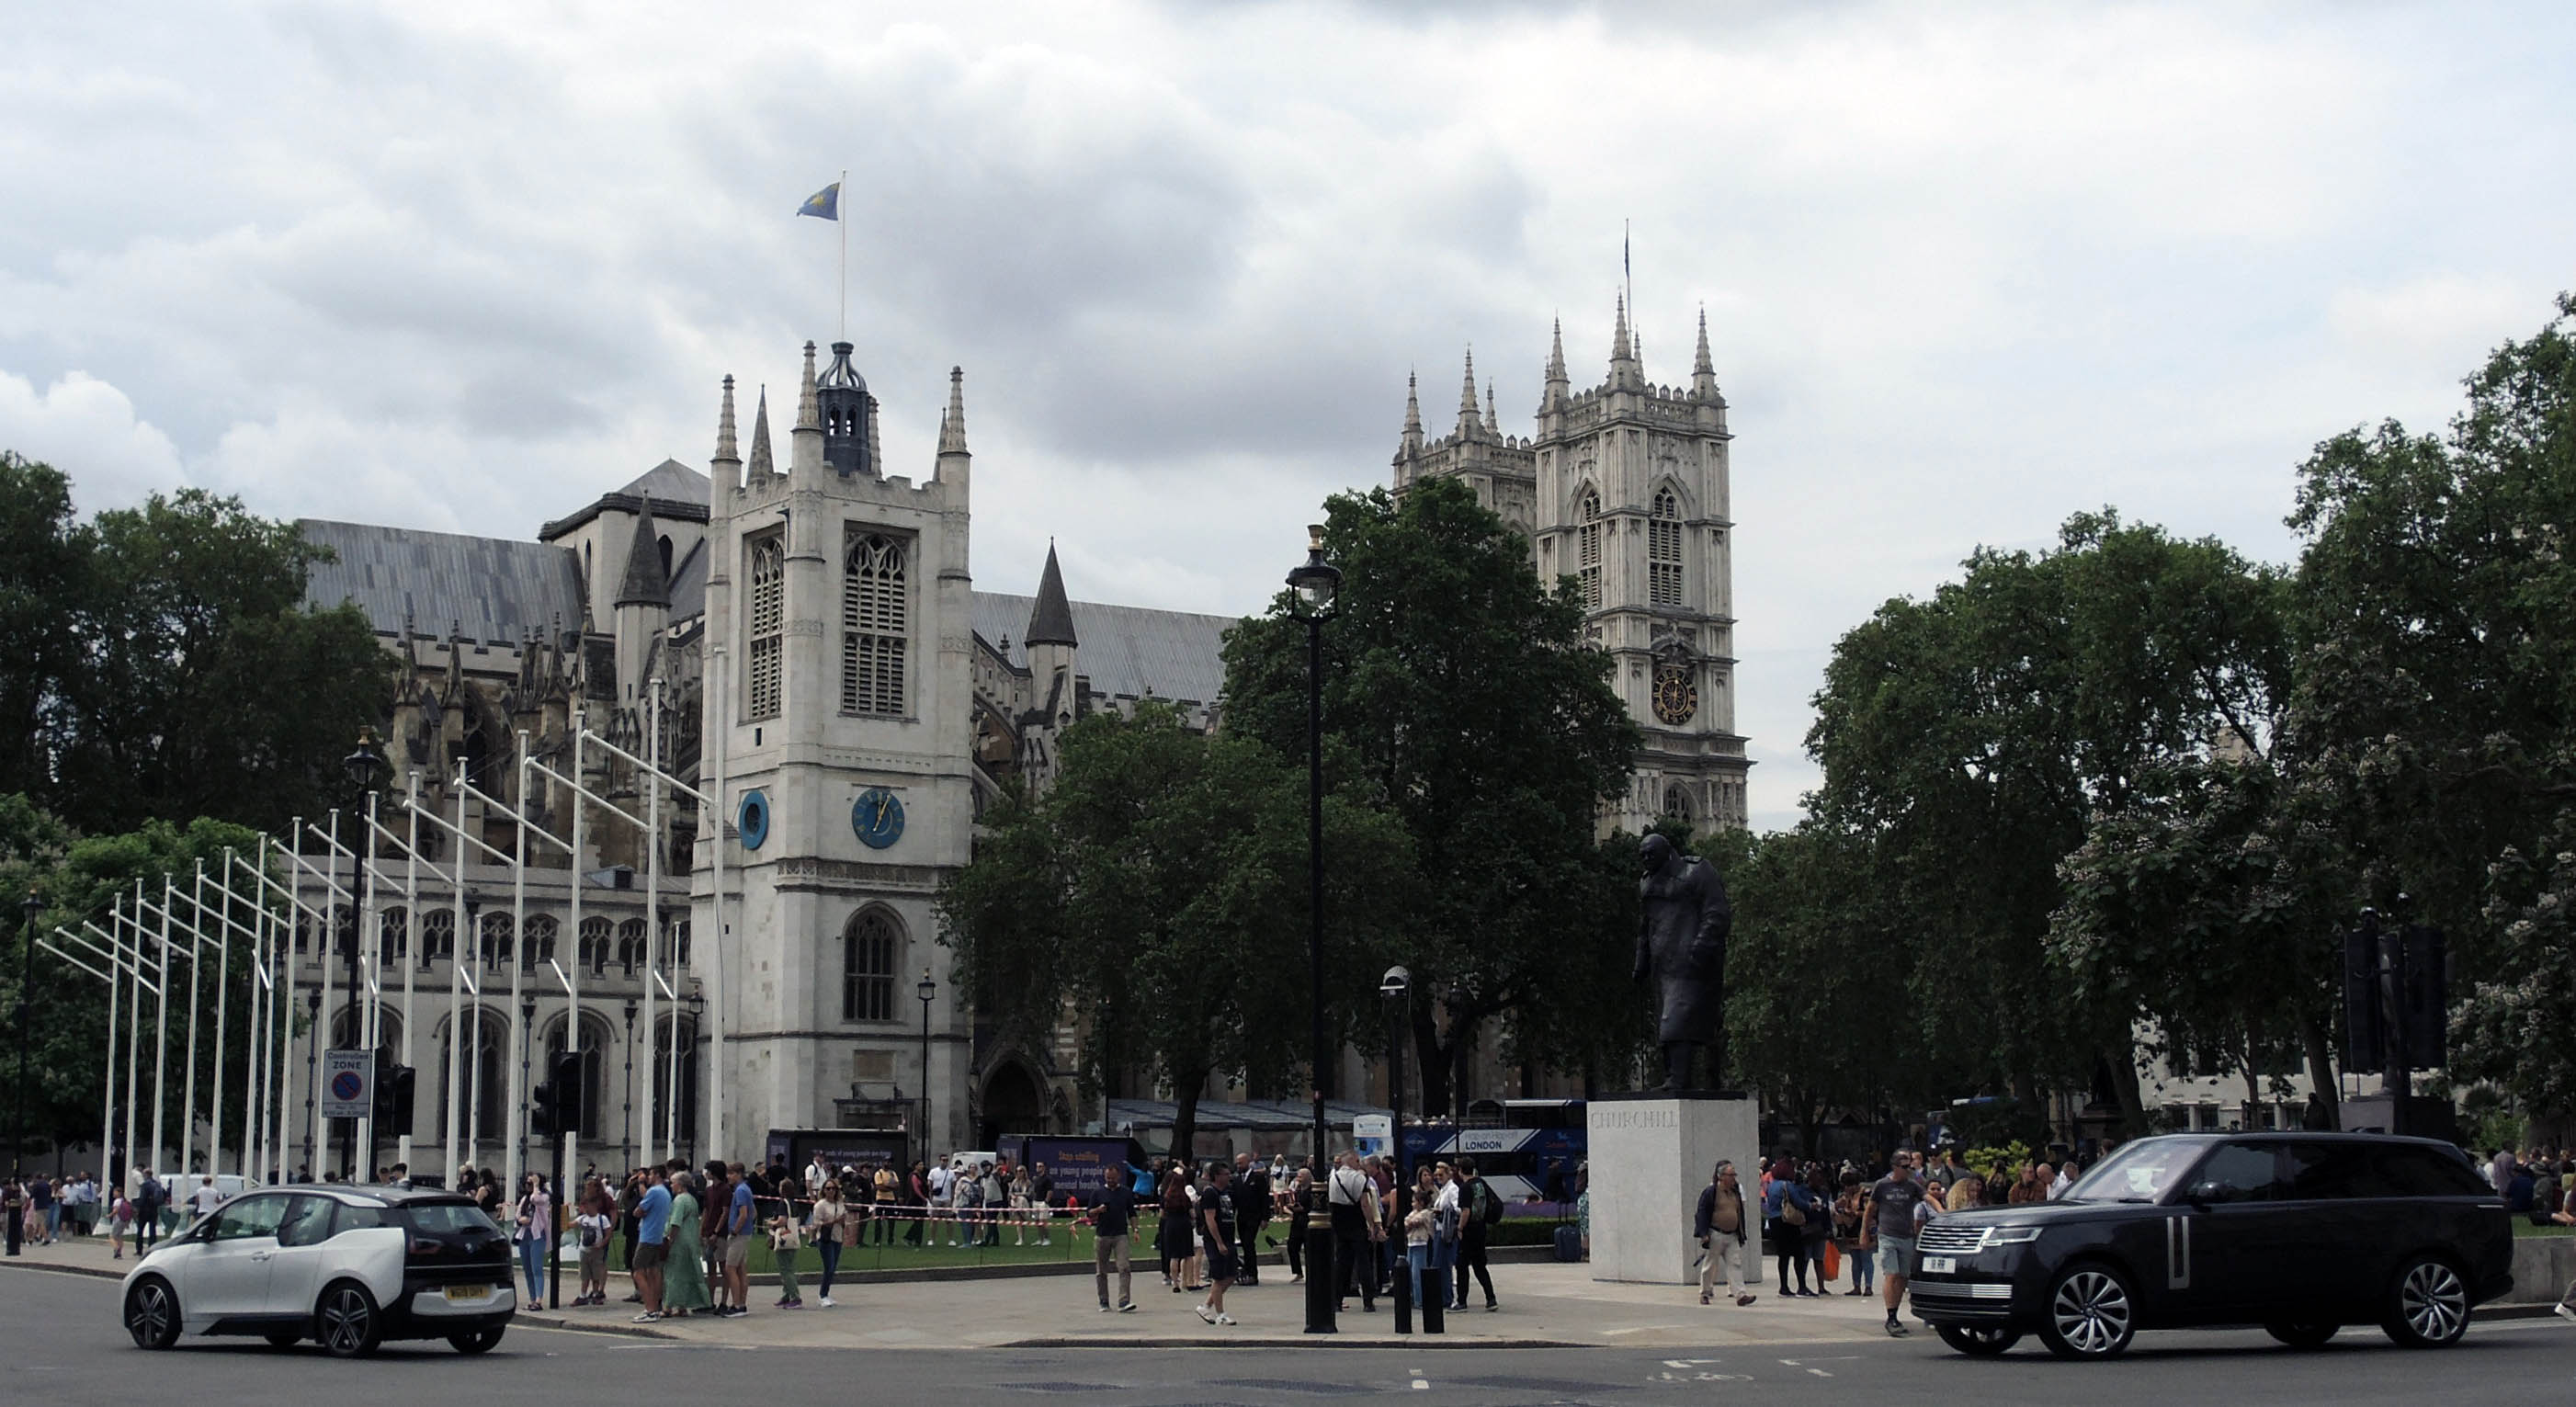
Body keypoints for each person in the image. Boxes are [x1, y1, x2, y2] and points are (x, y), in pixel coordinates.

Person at [1862, 1150, 1929, 1337]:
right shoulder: (1882, 1185)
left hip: (1906, 1236)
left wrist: (1942, 1211)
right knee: (1891, 1274)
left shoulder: (1912, 1185)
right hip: (1887, 1235)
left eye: (1910, 1167)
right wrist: (1864, 1233)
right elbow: (1870, 1209)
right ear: (1895, 1167)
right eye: (1905, 1167)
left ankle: (1895, 1313)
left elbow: (1927, 1197)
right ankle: (1890, 1316)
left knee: (1903, 1277)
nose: (1908, 1170)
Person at [1695, 1160, 1756, 1306]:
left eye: (1734, 1175)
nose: (1734, 1178)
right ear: (1721, 1176)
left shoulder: (1735, 1192)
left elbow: (1739, 1213)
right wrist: (1704, 1234)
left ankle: (1740, 1295)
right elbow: (1701, 1213)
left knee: (1735, 1264)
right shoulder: (1711, 1192)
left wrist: (1741, 1233)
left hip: (1732, 1235)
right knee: (1710, 1265)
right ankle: (1705, 1293)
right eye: (1730, 1175)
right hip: (1716, 1234)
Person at [1328, 1150, 1381, 1312]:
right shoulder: (1359, 1178)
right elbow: (1365, 1204)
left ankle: (1336, 1300)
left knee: (1341, 1262)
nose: (1359, 1164)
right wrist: (1372, 1225)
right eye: (1357, 1161)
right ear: (1350, 1161)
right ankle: (1368, 1301)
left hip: (1339, 1221)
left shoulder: (1333, 1177)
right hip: (1356, 1221)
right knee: (1363, 1262)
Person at [1195, 1160, 1239, 1325]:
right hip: (1215, 1240)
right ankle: (1221, 1314)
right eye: (1225, 1174)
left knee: (1231, 1275)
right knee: (1219, 1278)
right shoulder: (1210, 1193)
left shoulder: (1226, 1192)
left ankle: (1205, 1306)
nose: (1229, 1177)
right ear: (1216, 1176)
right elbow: (1210, 1219)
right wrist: (1219, 1242)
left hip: (1229, 1238)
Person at [1764, 1158, 1816, 1295]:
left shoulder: (1772, 1186)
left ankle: (1784, 1287)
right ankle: (1802, 1286)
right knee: (1799, 1254)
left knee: (1783, 1255)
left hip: (1774, 1220)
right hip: (1787, 1221)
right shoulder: (1787, 1185)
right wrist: (1811, 1206)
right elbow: (1798, 1202)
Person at [663, 1171, 712, 1315]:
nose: (671, 1186)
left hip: (679, 1242)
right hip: (691, 1240)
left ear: (680, 1184)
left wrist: (670, 1240)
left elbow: (675, 1223)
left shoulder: (679, 1201)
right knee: (687, 1273)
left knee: (673, 1274)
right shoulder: (691, 1200)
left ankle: (668, 1306)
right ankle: (682, 1306)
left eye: (673, 1183)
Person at [1453, 1157, 1499, 1311]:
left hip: (1469, 1231)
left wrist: (1460, 1228)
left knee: (1461, 1266)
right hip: (1481, 1228)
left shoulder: (1465, 1187)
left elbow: (1466, 1211)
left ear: (1460, 1171)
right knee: (1479, 1266)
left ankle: (1461, 1301)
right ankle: (1491, 1298)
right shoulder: (1480, 1183)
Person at [1092, 1163, 1137, 1312]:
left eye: (1113, 1178)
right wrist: (1098, 1210)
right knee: (1101, 1270)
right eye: (1108, 1178)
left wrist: (1135, 1229)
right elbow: (1089, 1213)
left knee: (1124, 1267)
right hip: (1102, 1235)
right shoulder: (1098, 1192)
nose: (1110, 1180)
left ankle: (1124, 1301)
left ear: (1119, 1177)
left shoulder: (1126, 1192)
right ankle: (1103, 1301)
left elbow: (1132, 1213)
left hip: (1120, 1235)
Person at [631, 1165, 673, 1322]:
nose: (648, 1177)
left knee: (638, 1271)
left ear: (656, 1175)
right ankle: (655, 1306)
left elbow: (638, 1211)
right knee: (654, 1272)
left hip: (648, 1236)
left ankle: (650, 1309)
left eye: (650, 1175)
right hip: (658, 1235)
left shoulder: (654, 1191)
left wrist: (641, 1184)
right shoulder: (665, 1192)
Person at [573, 1180, 614, 1307]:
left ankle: (597, 1293)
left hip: (597, 1249)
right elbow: (571, 1224)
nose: (585, 1208)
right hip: (584, 1249)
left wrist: (602, 1243)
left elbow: (609, 1231)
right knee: (585, 1274)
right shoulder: (583, 1218)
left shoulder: (602, 1217)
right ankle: (583, 1295)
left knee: (597, 1272)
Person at [809, 1178, 848, 1308]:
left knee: (833, 1267)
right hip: (825, 1238)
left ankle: (826, 1293)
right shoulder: (820, 1205)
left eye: (833, 1188)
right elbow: (817, 1223)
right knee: (829, 1266)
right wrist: (834, 1221)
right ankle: (822, 1295)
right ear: (824, 1190)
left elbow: (844, 1220)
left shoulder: (840, 1204)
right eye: (828, 1188)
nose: (831, 1191)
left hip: (838, 1237)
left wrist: (842, 1221)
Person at [722, 1163, 755, 1316]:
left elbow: (744, 1214)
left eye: (731, 1173)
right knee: (741, 1268)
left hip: (739, 1234)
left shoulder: (740, 1190)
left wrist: (735, 1230)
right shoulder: (745, 1189)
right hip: (746, 1233)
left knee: (730, 1267)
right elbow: (753, 1212)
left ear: (739, 1174)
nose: (728, 1177)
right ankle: (741, 1303)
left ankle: (736, 1304)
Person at [515, 1173, 552, 1303]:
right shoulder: (524, 1199)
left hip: (537, 1235)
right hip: (525, 1234)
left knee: (536, 1268)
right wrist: (521, 1220)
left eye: (530, 1183)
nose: (527, 1186)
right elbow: (517, 1215)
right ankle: (532, 1299)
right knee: (528, 1269)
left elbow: (536, 1199)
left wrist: (536, 1185)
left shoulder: (544, 1196)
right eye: (527, 1183)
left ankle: (538, 1300)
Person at [1834, 1170, 1872, 1296]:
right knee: (1855, 1260)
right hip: (1850, 1230)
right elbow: (1837, 1206)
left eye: (1848, 1186)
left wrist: (1854, 1213)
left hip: (1864, 1228)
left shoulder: (1866, 1193)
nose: (1846, 1189)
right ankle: (1856, 1286)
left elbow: (1869, 1211)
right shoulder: (1845, 1196)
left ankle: (1868, 1286)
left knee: (1866, 1258)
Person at [1232, 1154, 1268, 1285]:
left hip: (1254, 1217)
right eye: (1237, 1163)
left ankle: (1253, 1274)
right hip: (1241, 1217)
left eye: (1240, 1163)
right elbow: (1234, 1200)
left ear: (1248, 1162)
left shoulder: (1257, 1178)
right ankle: (1246, 1272)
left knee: (1249, 1243)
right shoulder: (1236, 1180)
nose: (1238, 1166)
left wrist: (1265, 1218)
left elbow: (1264, 1198)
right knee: (1244, 1244)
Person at [768, 1199, 806, 1309]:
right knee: (789, 1268)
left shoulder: (783, 1203)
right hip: (793, 1238)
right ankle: (786, 1295)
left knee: (785, 1270)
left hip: (784, 1239)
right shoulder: (794, 1203)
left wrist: (771, 1223)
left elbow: (782, 1221)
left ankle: (795, 1297)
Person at [1029, 1163, 1057, 1246]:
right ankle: (1040, 1239)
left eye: (1040, 1166)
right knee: (1037, 1221)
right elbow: (1034, 1191)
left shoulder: (1048, 1179)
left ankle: (1047, 1239)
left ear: (1044, 1168)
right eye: (1037, 1166)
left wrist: (1046, 1201)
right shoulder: (1036, 1179)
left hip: (1043, 1202)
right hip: (1036, 1202)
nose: (1038, 1168)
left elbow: (1050, 1191)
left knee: (1043, 1221)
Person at [108, 1185, 134, 1259]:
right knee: (119, 1237)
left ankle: (116, 1248)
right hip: (124, 1221)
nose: (113, 1193)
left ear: (119, 1193)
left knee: (111, 1237)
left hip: (118, 1220)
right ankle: (119, 1253)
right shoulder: (124, 1201)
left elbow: (115, 1210)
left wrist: (109, 1215)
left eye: (115, 1192)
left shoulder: (117, 1201)